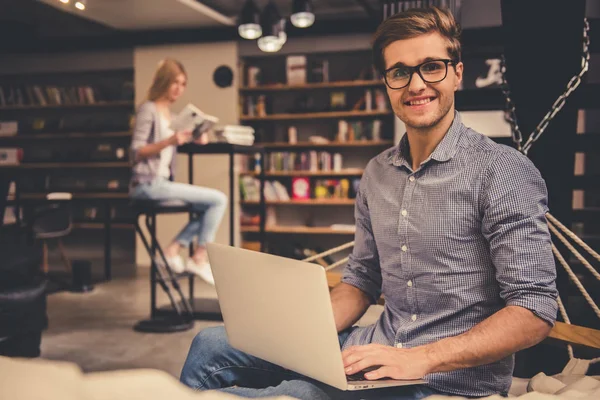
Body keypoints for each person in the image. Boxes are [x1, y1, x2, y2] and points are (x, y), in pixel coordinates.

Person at [179, 6, 558, 399]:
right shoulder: (377, 173)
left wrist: (420, 358)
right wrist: (304, 334)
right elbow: (361, 279)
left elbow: (534, 308)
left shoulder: (503, 171)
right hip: (374, 349)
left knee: (290, 394)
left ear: (457, 72)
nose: (416, 84)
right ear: (387, 82)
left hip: (443, 377)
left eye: (432, 67)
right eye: (400, 72)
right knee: (209, 345)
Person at [130, 58, 227, 285]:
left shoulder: (172, 116)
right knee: (219, 200)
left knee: (207, 207)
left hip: (161, 183)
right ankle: (198, 258)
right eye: (175, 82)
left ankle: (173, 250)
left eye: (183, 84)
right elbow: (136, 151)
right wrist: (170, 140)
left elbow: (183, 139)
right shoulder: (148, 109)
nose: (179, 89)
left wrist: (198, 136)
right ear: (164, 82)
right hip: (146, 184)